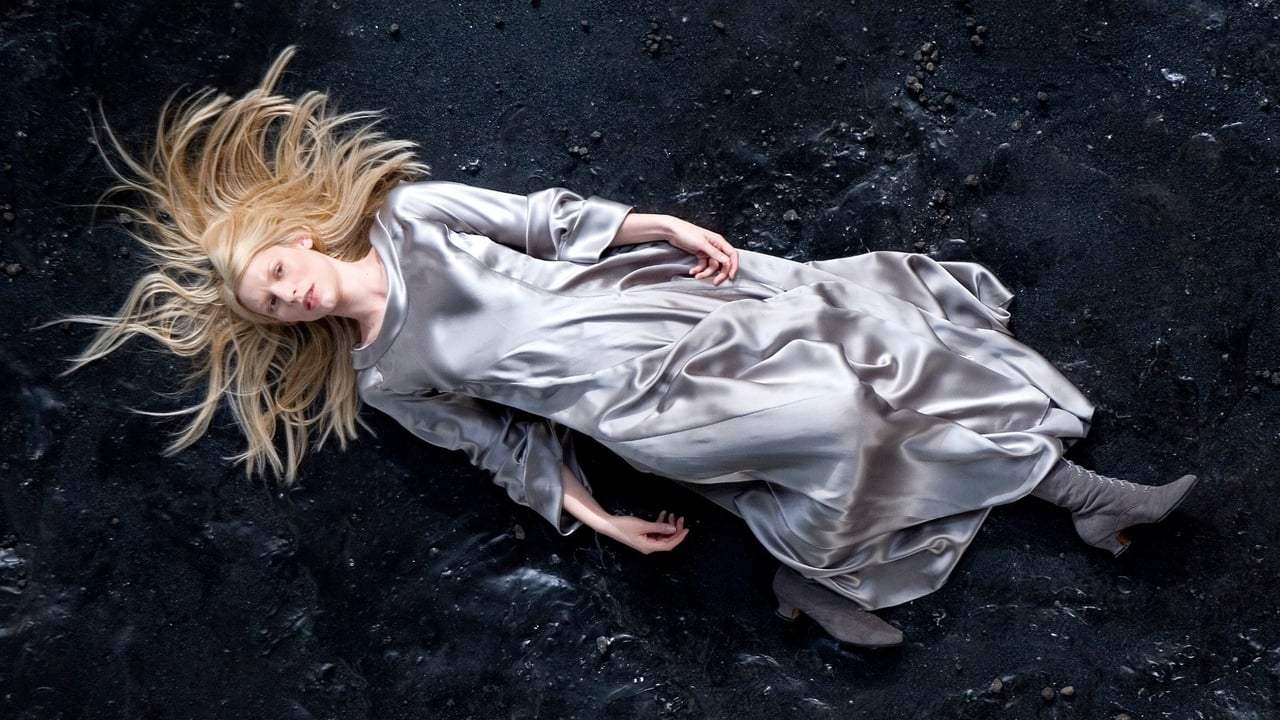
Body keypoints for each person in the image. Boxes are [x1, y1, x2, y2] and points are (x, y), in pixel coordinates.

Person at [43, 45, 1199, 649]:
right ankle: (1032, 509)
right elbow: (496, 447)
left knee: (868, 341)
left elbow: (541, 219)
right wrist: (594, 517)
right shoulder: (384, 375)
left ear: (296, 239)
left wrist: (654, 226)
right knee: (841, 413)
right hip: (635, 411)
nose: (289, 297)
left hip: (656, 306)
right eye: (272, 307)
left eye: (277, 274)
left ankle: (1001, 521)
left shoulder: (414, 212)